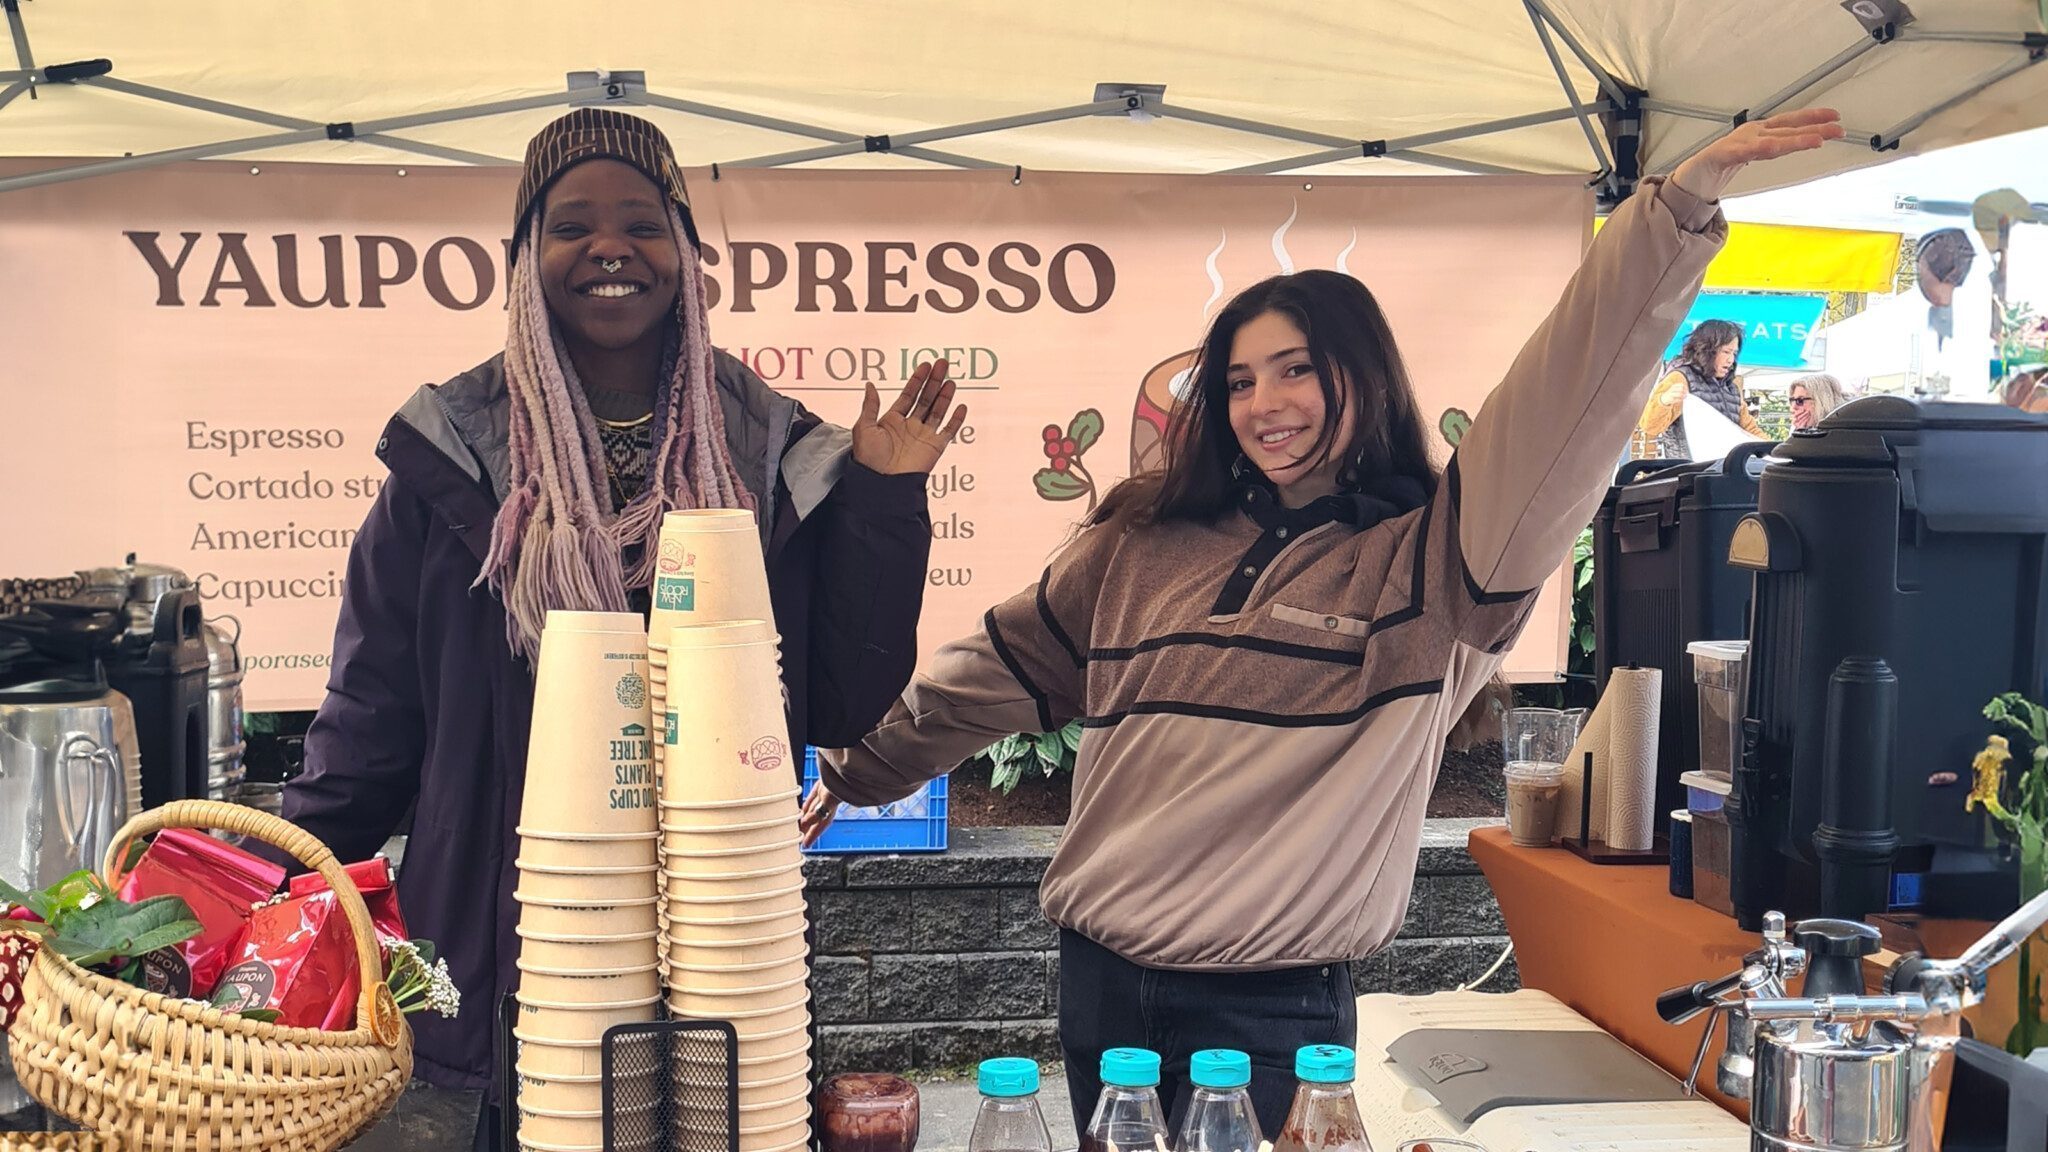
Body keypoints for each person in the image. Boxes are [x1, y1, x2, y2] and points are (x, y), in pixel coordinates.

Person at [801, 109, 1844, 1134]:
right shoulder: (1138, 544)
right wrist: (848, 772)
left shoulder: (1439, 563)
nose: (1266, 403)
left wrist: (1669, 217)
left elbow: (1561, 405)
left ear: (1362, 376)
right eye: (1241, 379)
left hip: (1268, 1013)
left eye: (1296, 367)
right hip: (1101, 990)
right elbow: (986, 673)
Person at [279, 109, 965, 1148]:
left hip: (722, 956)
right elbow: (372, 721)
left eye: (643, 223)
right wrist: (267, 897)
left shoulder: (773, 452)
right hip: (511, 940)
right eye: (571, 225)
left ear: (689, 257)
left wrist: (881, 498)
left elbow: (834, 700)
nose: (610, 247)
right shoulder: (448, 456)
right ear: (523, 258)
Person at [1634, 319, 1768, 458]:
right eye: (1726, 352)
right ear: (1708, 350)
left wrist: (1776, 450)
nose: (1731, 360)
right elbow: (1650, 426)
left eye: (1734, 353)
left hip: (1722, 472)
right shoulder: (1680, 377)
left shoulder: (1732, 388)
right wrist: (1663, 401)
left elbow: (1750, 430)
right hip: (1689, 473)